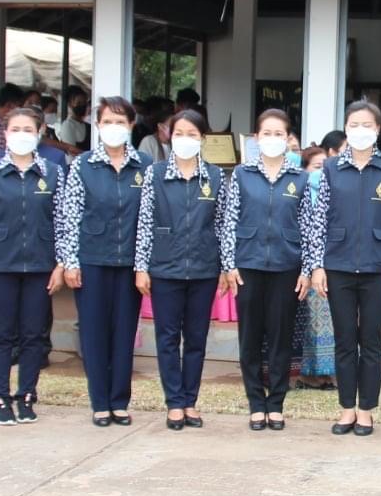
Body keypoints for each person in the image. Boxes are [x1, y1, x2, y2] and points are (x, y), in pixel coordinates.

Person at [302, 101, 381, 435]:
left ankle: (367, 410)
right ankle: (347, 408)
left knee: (372, 339)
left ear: (378, 130)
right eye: (354, 125)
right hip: (338, 264)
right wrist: (317, 266)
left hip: (379, 267)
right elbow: (319, 221)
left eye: (367, 125)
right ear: (346, 129)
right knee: (345, 339)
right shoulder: (332, 168)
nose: (360, 131)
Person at [58, 96, 150, 426]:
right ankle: (99, 401)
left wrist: (143, 265)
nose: (114, 128)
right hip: (92, 258)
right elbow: (70, 216)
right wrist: (70, 261)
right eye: (108, 121)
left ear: (131, 126)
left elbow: (149, 220)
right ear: (97, 125)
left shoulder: (145, 165)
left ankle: (119, 400)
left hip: (130, 264)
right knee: (94, 332)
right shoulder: (83, 165)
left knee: (124, 332)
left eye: (120, 122)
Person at [0, 107, 65, 425]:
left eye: (28, 129)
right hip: (1, 265)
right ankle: (0, 396)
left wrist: (60, 264)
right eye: (15, 129)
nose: (22, 135)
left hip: (40, 265)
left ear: (39, 133)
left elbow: (62, 222)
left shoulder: (52, 172)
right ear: (6, 134)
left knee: (33, 335)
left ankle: (26, 395)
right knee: (0, 335)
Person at [134, 108, 224, 429]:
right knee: (168, 337)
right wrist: (141, 267)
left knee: (197, 338)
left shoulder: (214, 177)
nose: (185, 140)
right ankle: (174, 402)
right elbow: (145, 223)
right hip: (164, 268)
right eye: (179, 134)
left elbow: (223, 225)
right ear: (169, 136)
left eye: (192, 135)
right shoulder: (156, 174)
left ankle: (190, 401)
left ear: (203, 139)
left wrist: (226, 268)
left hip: (203, 269)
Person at [220, 109, 307, 430]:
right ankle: (257, 402)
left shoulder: (298, 178)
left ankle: (277, 403)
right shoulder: (242, 174)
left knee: (281, 338)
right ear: (256, 138)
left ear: (288, 139)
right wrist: (229, 264)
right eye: (266, 133)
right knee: (251, 338)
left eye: (278, 134)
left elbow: (310, 228)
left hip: (287, 267)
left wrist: (307, 270)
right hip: (249, 266)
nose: (272, 139)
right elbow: (229, 222)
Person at [294, 139, 341, 390]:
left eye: (325, 167)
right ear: (304, 169)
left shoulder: (331, 194)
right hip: (305, 268)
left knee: (329, 323)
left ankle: (324, 374)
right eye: (316, 167)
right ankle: (309, 374)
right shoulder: (300, 193)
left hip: (329, 266)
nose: (321, 173)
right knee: (311, 324)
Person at [52, 85, 90, 155]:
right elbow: (71, 151)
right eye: (79, 103)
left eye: (84, 103)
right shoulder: (68, 125)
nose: (82, 105)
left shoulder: (88, 126)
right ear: (70, 104)